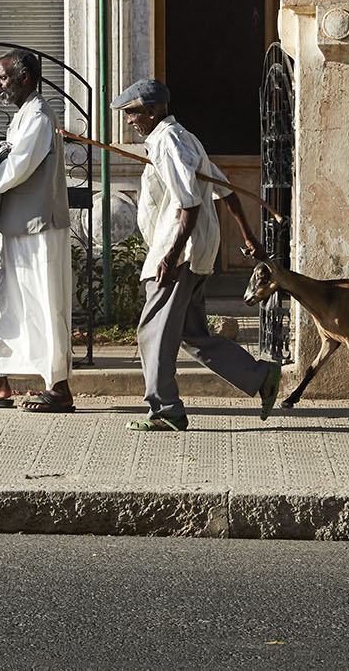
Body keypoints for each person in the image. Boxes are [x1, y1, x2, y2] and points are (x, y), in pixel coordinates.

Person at [112, 77, 282, 432]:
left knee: (153, 331)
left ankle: (166, 409)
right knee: (193, 334)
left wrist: (170, 256)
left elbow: (189, 205)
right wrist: (249, 237)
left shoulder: (169, 142)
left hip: (180, 252)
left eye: (133, 113)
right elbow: (226, 190)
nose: (129, 120)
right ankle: (260, 376)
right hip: (194, 250)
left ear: (153, 111)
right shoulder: (182, 138)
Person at [0, 50, 76, 414]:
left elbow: (17, 168)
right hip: (15, 228)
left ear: (24, 78)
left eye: (3, 77)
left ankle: (59, 388)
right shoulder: (24, 116)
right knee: (0, 305)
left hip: (38, 231)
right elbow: (12, 156)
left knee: (44, 307)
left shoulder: (39, 116)